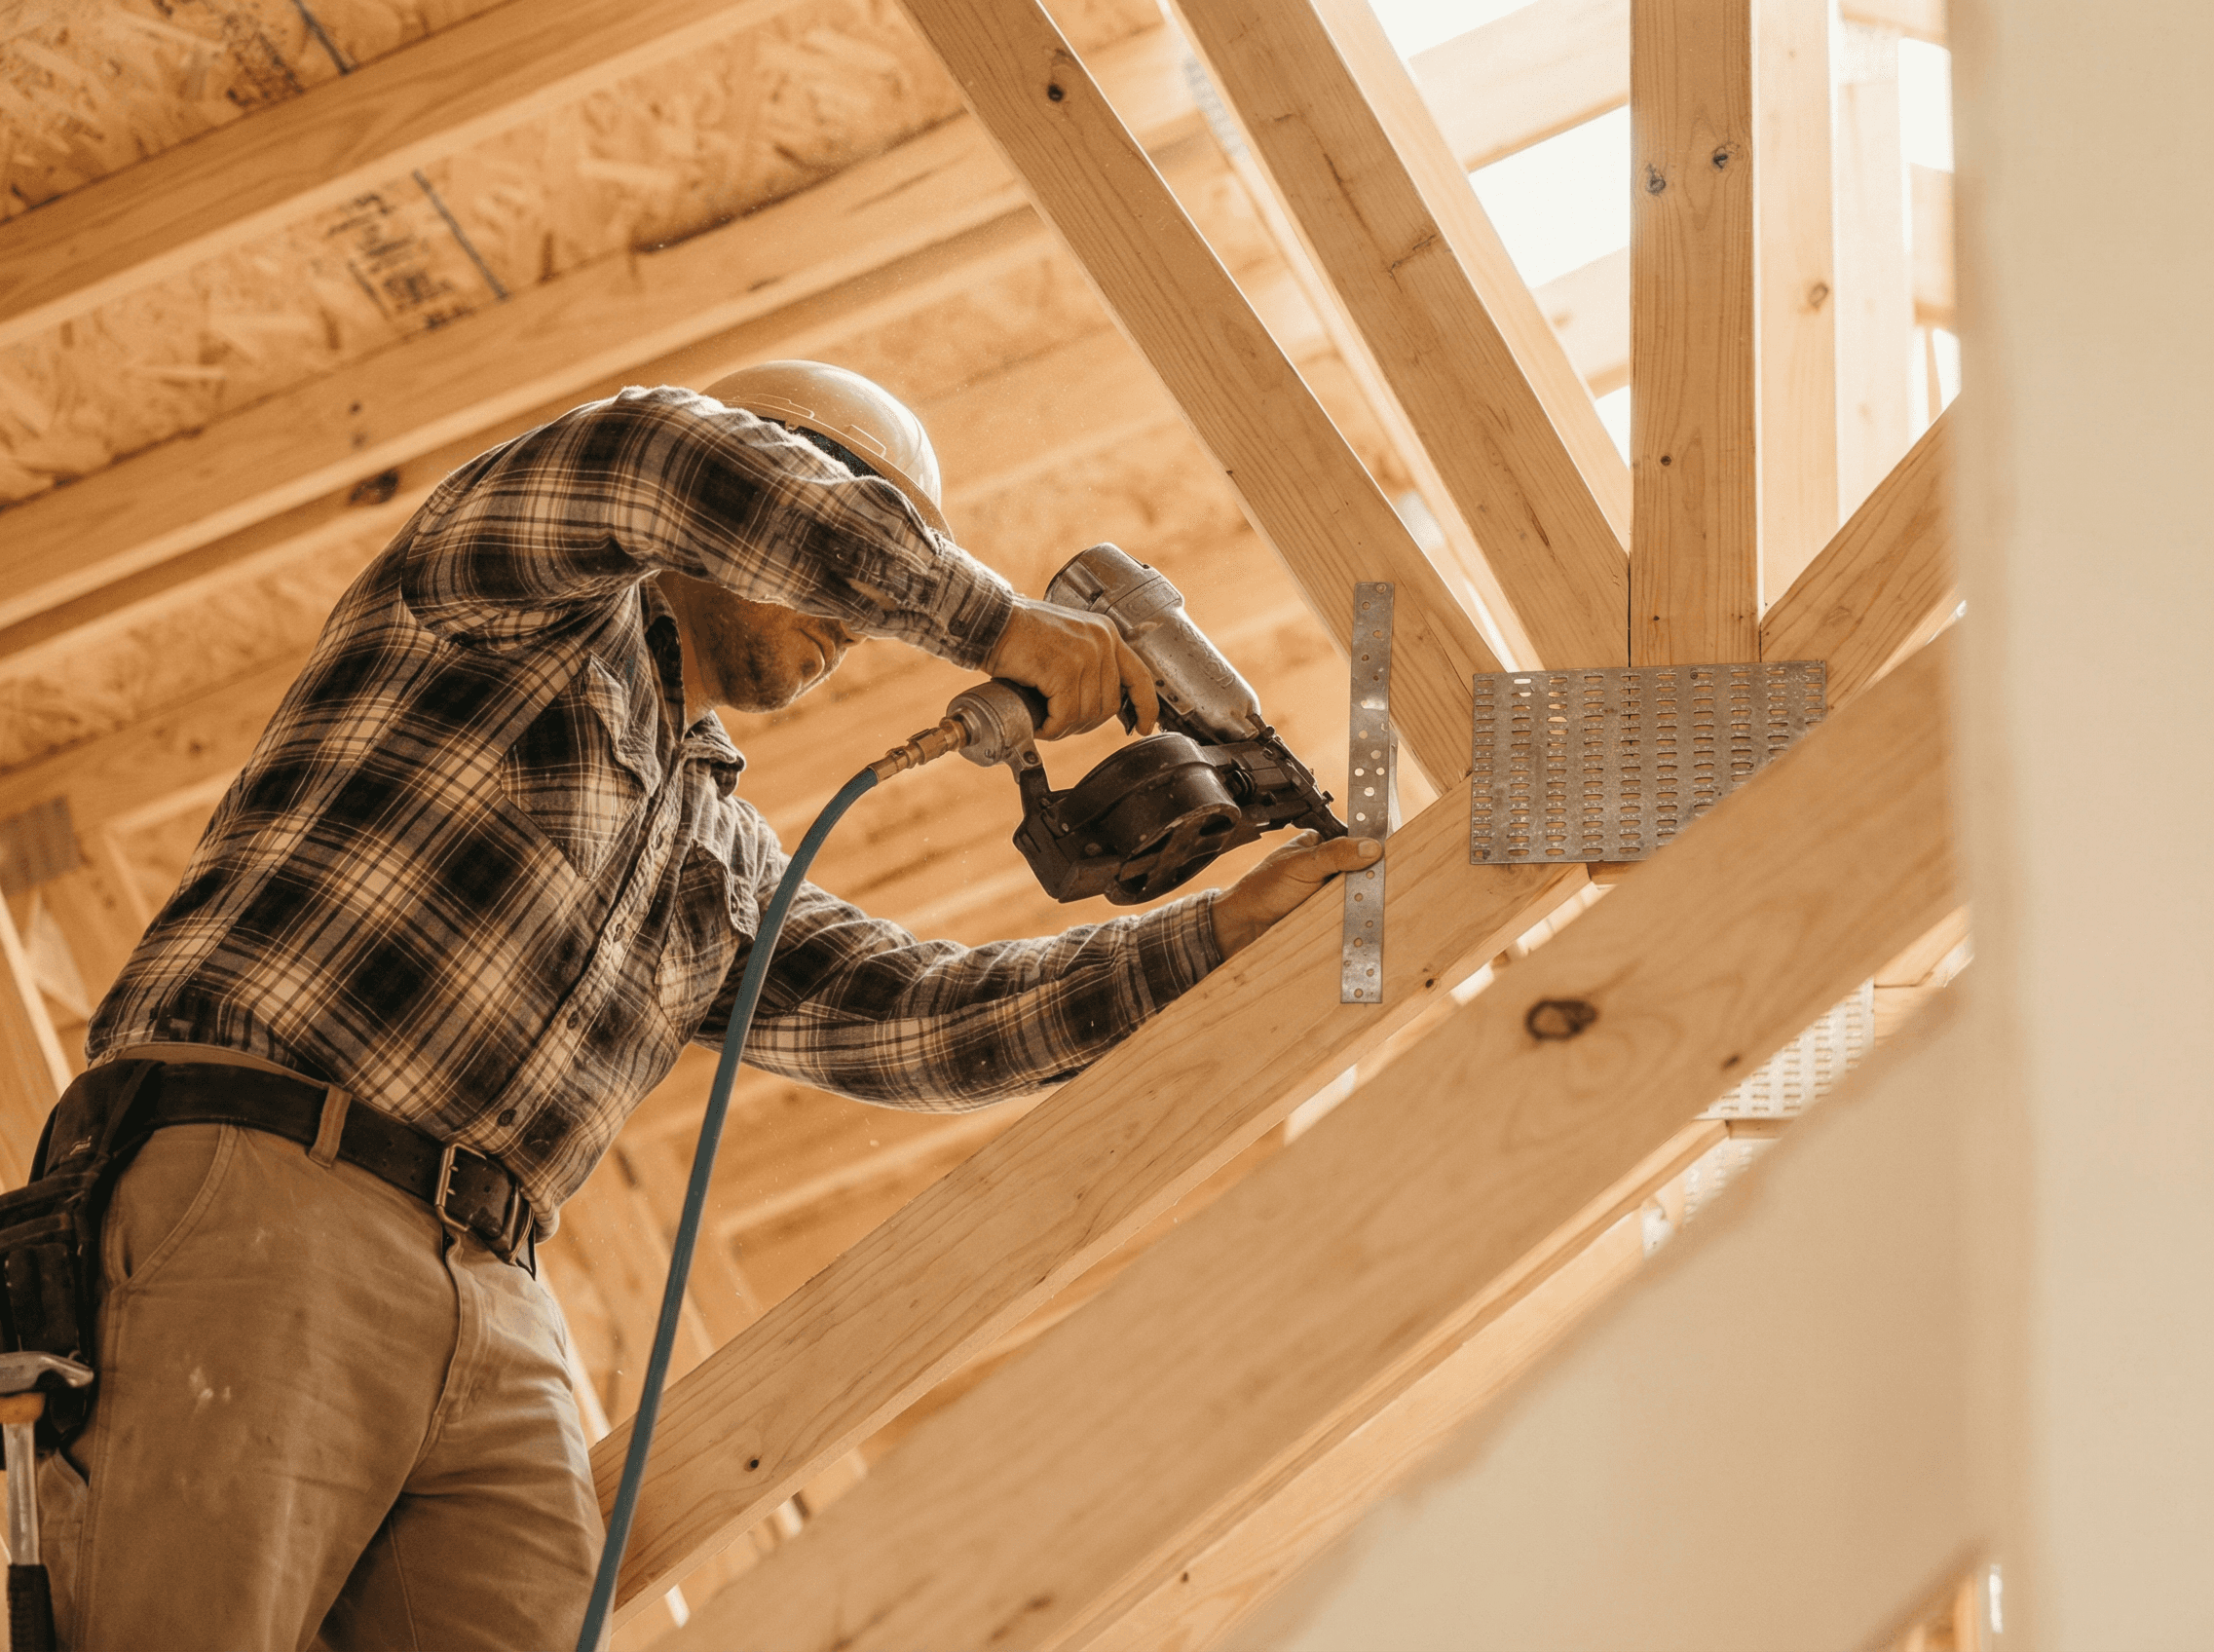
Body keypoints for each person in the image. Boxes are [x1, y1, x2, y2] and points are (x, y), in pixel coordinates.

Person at [30, 361, 1378, 1650]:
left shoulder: (713, 849)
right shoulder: (499, 596)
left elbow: (920, 1015)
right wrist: (996, 622)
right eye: (850, 523)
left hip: (496, 1291)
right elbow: (662, 461)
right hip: (270, 1182)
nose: (857, 603)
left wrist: (1209, 938)